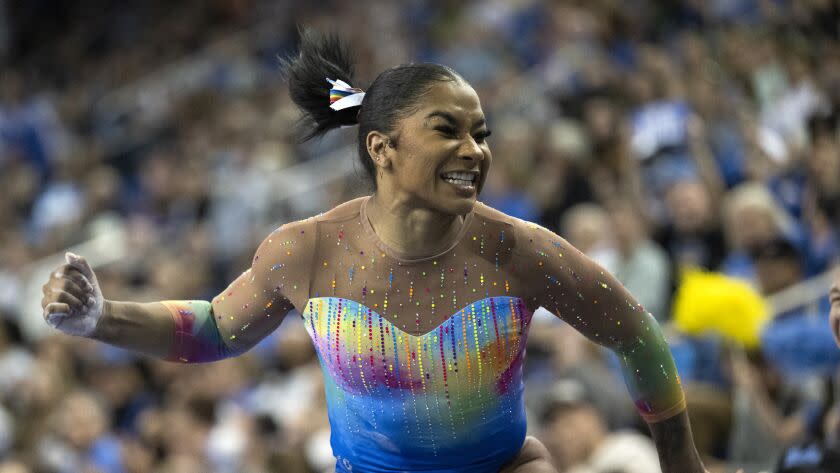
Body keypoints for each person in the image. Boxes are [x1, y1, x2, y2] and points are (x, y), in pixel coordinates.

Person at [40, 30, 708, 473]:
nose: (474, 150)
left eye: (481, 133)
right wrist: (101, 315)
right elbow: (214, 328)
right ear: (381, 147)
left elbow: (636, 334)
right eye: (446, 130)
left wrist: (684, 466)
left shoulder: (518, 250)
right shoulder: (306, 251)